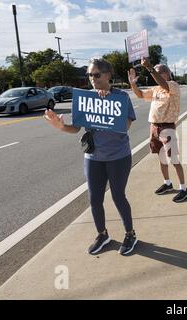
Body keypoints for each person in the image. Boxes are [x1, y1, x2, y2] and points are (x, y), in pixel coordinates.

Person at [44, 58, 138, 256]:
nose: (92, 79)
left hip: (118, 156)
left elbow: (126, 126)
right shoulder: (85, 98)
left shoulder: (121, 96)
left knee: (118, 196)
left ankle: (130, 234)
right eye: (89, 75)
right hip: (93, 157)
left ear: (108, 75)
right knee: (94, 199)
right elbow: (75, 128)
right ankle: (102, 234)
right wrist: (60, 127)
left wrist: (108, 102)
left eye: (96, 74)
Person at [128, 57, 187, 203]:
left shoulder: (173, 85)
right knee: (161, 158)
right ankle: (168, 183)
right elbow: (140, 95)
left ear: (166, 74)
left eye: (157, 73)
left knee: (173, 159)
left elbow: (164, 84)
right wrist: (132, 84)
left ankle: (184, 189)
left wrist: (149, 68)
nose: (154, 75)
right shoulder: (156, 89)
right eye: (154, 72)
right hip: (154, 127)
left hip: (167, 127)